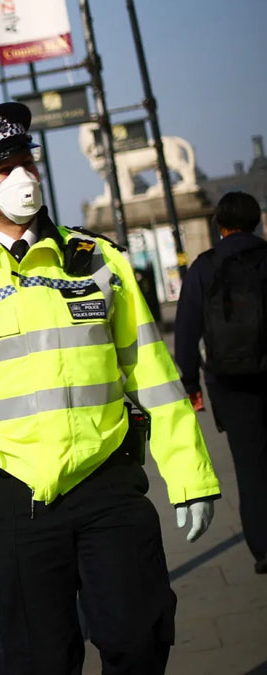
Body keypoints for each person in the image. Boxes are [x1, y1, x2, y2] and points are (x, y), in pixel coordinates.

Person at [0, 102, 222, 674]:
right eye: (4, 169)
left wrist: (191, 476)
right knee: (41, 660)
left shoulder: (99, 262)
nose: (23, 176)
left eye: (27, 161)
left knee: (140, 641)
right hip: (14, 500)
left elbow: (154, 374)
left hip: (108, 489)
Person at [174, 191, 267, 575]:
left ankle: (263, 548)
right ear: (257, 221)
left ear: (220, 226)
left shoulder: (204, 268)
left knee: (249, 466)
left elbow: (185, 332)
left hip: (229, 382)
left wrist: (191, 382)